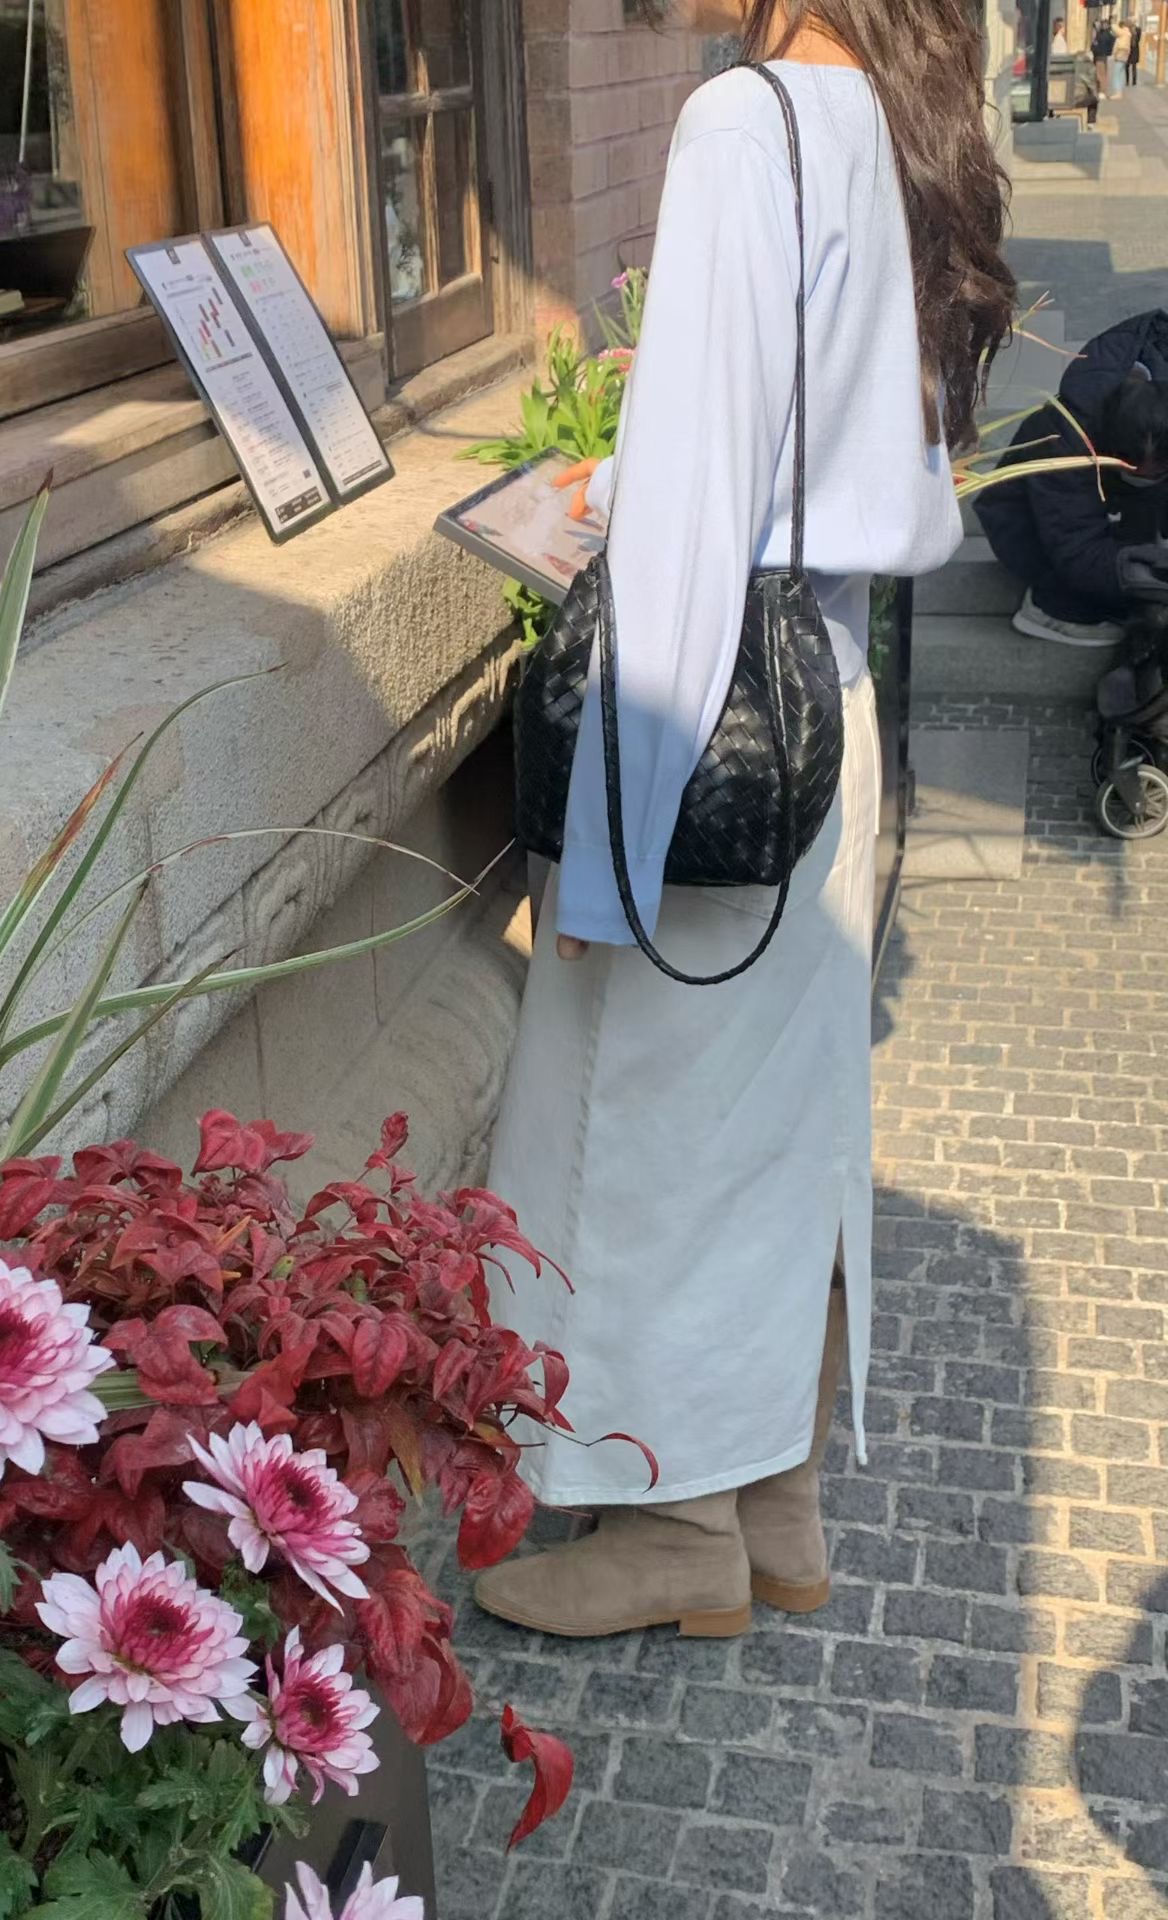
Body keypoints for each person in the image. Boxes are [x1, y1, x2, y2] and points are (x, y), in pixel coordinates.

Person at [474, 0, 1014, 1643]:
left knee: (646, 1132)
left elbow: (696, 526)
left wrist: (609, 855)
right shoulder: (906, 120)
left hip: (710, 718)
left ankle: (674, 1526)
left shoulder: (744, 123)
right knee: (778, 1133)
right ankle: (775, 1497)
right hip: (828, 704)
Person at [977, 311, 1168, 648]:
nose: (1146, 473)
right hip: (1029, 520)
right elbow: (1077, 548)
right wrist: (1136, 572)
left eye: (1159, 468)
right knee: (1117, 589)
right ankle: (1049, 609)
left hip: (1112, 498)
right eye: (1133, 466)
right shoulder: (1066, 438)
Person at [1094, 14, 1118, 92]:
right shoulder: (1108, 33)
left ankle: (1101, 90)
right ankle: (1102, 89)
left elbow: (1096, 44)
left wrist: (1094, 47)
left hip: (1100, 55)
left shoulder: (1102, 34)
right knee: (1102, 73)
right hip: (1103, 55)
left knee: (1100, 74)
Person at [1112, 14, 1134, 91]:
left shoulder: (1124, 32)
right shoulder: (1128, 33)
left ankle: (1118, 92)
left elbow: (1114, 28)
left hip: (1120, 54)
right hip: (1124, 55)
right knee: (1121, 73)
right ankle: (1120, 90)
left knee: (1117, 74)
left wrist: (1113, 22)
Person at [1129, 17, 1143, 82]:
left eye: (1134, 21)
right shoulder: (1128, 29)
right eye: (1132, 21)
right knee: (1127, 66)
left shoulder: (1138, 29)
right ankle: (1127, 80)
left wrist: (1134, 34)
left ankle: (1134, 81)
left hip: (1135, 49)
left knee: (1134, 66)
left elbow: (1138, 39)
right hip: (1128, 49)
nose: (1133, 22)